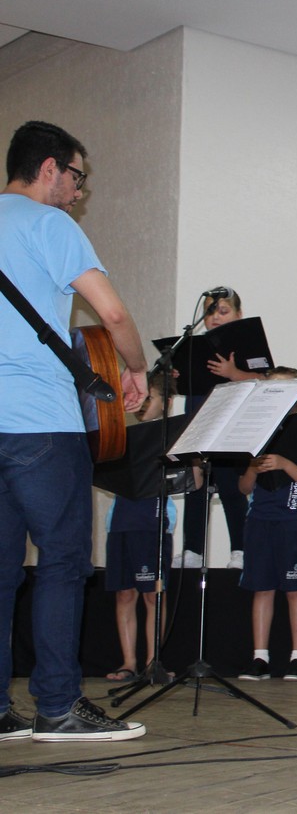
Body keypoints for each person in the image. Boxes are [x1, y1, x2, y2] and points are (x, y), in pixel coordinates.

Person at [0, 120, 147, 741]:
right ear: (50, 169)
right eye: (76, 177)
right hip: (41, 424)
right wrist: (136, 368)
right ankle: (58, 706)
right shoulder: (51, 224)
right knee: (62, 562)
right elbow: (110, 312)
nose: (79, 192)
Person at [236, 367, 297, 682]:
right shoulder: (255, 431)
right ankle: (260, 657)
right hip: (259, 522)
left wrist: (284, 464)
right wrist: (253, 468)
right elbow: (244, 488)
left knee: (295, 589)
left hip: (291, 522)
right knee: (262, 589)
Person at [103, 371, 187, 684]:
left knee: (153, 594)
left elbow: (191, 479)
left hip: (153, 523)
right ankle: (129, 662)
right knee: (124, 594)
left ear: (167, 402)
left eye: (148, 397)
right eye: (134, 396)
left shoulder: (173, 439)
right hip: (120, 522)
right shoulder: (123, 437)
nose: (139, 403)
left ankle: (154, 662)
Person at [176, 286, 262, 570]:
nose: (215, 317)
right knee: (195, 487)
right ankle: (192, 550)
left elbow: (264, 379)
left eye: (223, 311)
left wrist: (233, 373)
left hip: (230, 428)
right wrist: (175, 375)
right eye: (210, 312)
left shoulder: (248, 345)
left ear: (238, 314)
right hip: (199, 423)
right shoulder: (194, 347)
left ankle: (241, 549)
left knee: (230, 488)